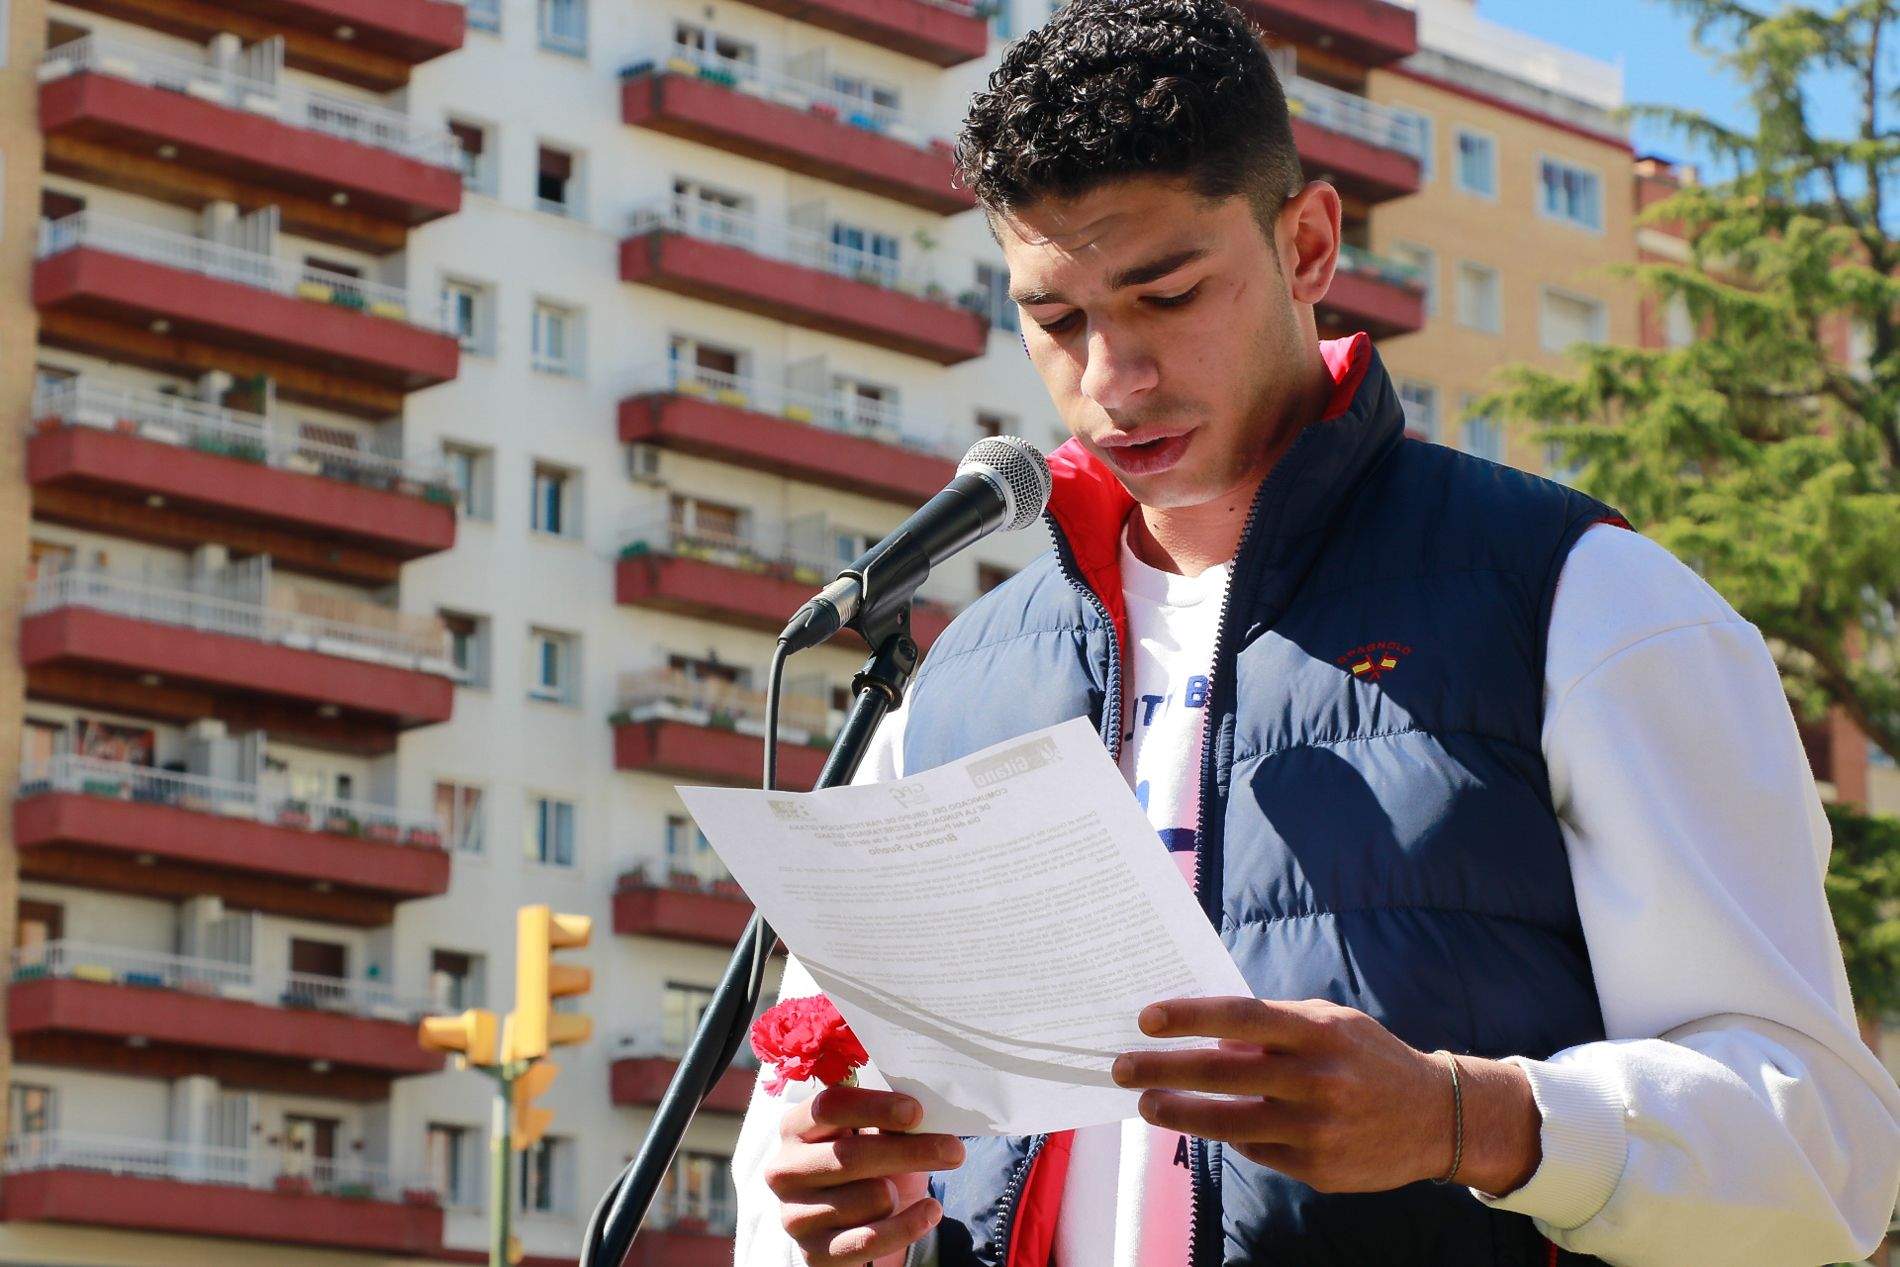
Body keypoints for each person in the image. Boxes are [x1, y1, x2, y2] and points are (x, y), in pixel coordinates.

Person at [731, 2, 1900, 1263]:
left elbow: (1827, 1158)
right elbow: (791, 1159)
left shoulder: (1587, 599)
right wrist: (824, 1213)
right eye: (1055, 319)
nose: (1110, 377)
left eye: (1167, 293)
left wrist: (1468, 1121)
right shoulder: (949, 686)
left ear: (1308, 243)